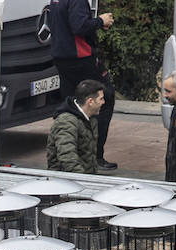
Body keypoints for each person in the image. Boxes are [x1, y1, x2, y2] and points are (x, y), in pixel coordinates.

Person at [48, 0, 118, 170]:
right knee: (104, 98)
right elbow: (79, 26)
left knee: (71, 104)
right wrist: (101, 21)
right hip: (80, 58)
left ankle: (66, 153)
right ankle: (95, 156)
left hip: (61, 57)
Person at [46, 80, 106, 174]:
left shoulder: (91, 119)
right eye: (101, 99)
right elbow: (67, 156)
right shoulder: (66, 121)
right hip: (65, 182)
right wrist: (83, 179)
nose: (103, 102)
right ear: (90, 102)